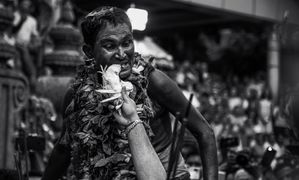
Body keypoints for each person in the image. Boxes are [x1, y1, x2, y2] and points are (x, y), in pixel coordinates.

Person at [42, 6, 218, 180]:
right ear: (89, 52)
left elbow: (205, 132)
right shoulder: (77, 95)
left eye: (126, 43)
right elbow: (63, 149)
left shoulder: (154, 82)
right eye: (109, 46)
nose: (122, 54)